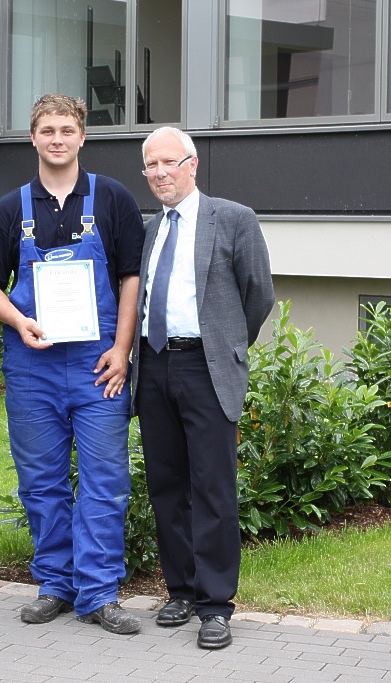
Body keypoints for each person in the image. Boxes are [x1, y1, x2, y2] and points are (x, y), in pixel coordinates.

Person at [0, 94, 144, 634]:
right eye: (47, 130)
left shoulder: (112, 199)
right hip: (33, 367)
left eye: (67, 130)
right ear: (33, 138)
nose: (57, 139)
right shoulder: (9, 209)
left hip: (99, 367)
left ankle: (99, 592)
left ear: (82, 136)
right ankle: (55, 585)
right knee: (41, 483)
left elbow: (132, 278)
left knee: (104, 481)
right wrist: (18, 320)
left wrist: (122, 349)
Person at [132, 126, 274, 649]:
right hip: (154, 367)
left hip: (206, 367)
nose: (160, 173)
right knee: (166, 485)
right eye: (151, 165)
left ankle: (215, 606)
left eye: (169, 162)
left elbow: (258, 294)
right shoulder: (151, 229)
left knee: (213, 487)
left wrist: (224, 344)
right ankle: (181, 590)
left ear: (192, 164)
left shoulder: (233, 218)